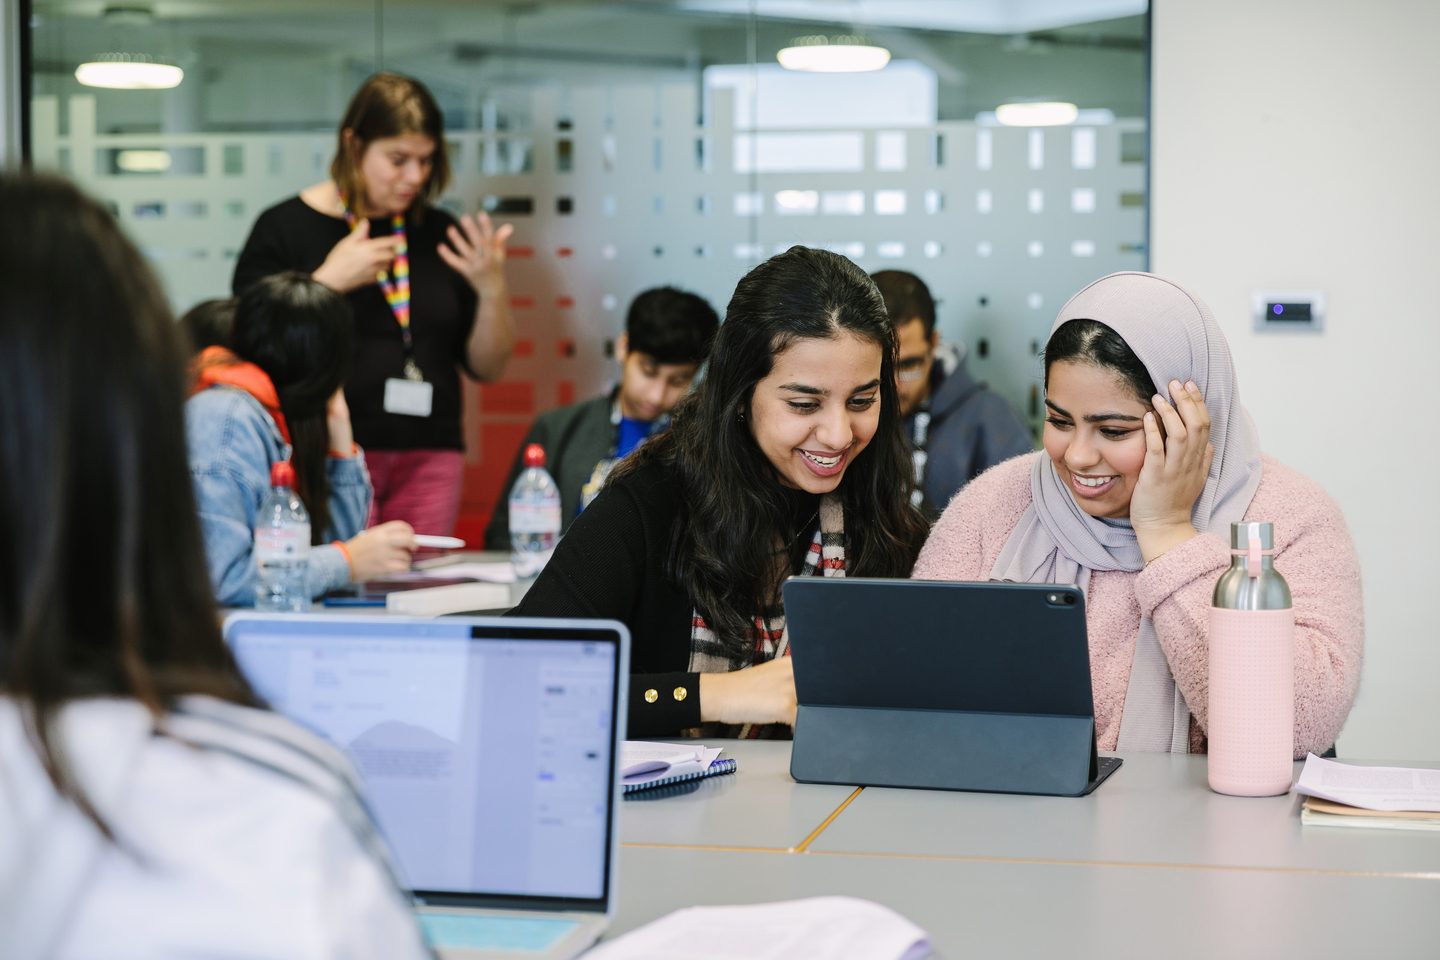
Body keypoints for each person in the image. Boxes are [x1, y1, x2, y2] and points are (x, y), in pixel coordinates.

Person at [0, 171, 429, 957]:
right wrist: (344, 559)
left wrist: (339, 442)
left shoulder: (264, 413)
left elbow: (322, 528)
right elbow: (233, 574)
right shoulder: (261, 806)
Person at [912, 271, 1363, 755]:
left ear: (1187, 421)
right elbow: (913, 686)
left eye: (1113, 430)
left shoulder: (1288, 520)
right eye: (1060, 421)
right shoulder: (996, 503)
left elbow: (1295, 731)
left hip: (1213, 827)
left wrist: (1169, 534)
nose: (1079, 455)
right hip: (1021, 820)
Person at [513, 247, 928, 738]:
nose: (839, 435)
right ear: (739, 393)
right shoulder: (649, 506)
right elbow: (518, 678)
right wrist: (717, 696)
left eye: (862, 401)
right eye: (803, 404)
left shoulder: (882, 514)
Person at [233, 71, 515, 535]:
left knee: (423, 596)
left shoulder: (440, 231)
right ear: (353, 143)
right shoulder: (285, 227)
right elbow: (249, 341)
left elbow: (490, 366)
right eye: (398, 159)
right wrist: (326, 282)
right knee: (345, 588)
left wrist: (491, 289)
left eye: (426, 161)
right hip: (326, 449)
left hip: (431, 452)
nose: (415, 177)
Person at [188, 271, 417, 606]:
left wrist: (340, 431)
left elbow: (331, 543)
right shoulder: (225, 419)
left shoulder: (277, 412)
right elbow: (223, 580)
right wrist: (346, 562)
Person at [484, 286, 720, 548]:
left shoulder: (705, 442)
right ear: (623, 347)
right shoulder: (557, 429)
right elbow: (502, 536)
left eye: (678, 380)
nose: (656, 395)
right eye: (648, 372)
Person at [871, 269, 1033, 517]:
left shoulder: (991, 421)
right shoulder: (844, 420)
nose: (894, 385)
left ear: (934, 343)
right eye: (881, 367)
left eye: (908, 365)